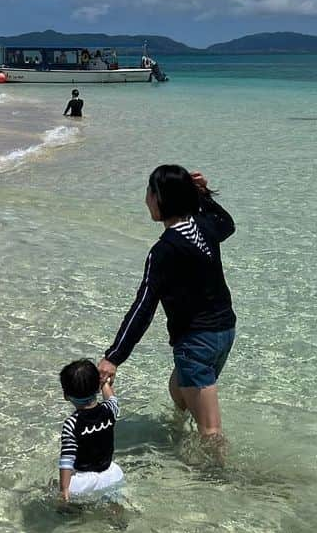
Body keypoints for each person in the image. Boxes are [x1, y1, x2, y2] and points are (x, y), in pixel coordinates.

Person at [98, 165, 236, 450]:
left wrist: (114, 357)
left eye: (149, 192)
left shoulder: (164, 251)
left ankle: (226, 483)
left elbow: (143, 307)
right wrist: (203, 196)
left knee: (210, 433)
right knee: (177, 388)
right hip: (224, 333)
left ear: (160, 198)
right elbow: (227, 223)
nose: (146, 199)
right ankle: (177, 439)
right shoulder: (203, 226)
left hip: (197, 342)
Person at [58, 359, 124, 504]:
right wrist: (105, 383)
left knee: (53, 487)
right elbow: (112, 399)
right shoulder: (110, 411)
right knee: (112, 501)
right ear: (97, 388)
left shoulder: (72, 424)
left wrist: (64, 490)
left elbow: (67, 460)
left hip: (83, 483)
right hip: (111, 475)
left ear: (66, 396)